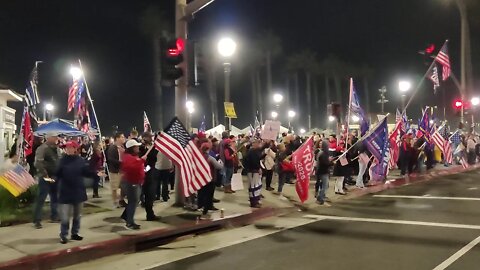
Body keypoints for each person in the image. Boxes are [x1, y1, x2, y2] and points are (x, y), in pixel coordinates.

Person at [56, 140, 97, 244]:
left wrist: (96, 173)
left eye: (71, 147)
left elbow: (86, 172)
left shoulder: (80, 160)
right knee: (65, 217)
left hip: (78, 192)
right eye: (67, 148)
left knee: (77, 216)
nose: (68, 149)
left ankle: (75, 233)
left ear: (75, 149)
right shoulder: (62, 161)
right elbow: (57, 174)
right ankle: (64, 235)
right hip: (65, 192)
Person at [33, 132, 61, 229]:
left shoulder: (56, 149)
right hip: (45, 177)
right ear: (48, 138)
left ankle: (54, 216)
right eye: (54, 137)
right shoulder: (42, 148)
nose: (56, 138)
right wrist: (46, 175)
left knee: (55, 197)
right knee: (41, 198)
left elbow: (58, 161)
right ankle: (37, 220)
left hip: (54, 177)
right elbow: (38, 163)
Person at [120, 139, 145, 230]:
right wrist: (141, 161)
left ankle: (126, 217)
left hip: (135, 182)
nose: (138, 148)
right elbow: (131, 167)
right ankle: (129, 223)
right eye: (136, 147)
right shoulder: (128, 157)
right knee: (133, 202)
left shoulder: (131, 156)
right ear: (131, 148)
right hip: (131, 182)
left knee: (134, 201)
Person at [198, 139, 223, 218]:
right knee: (209, 194)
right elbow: (219, 166)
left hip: (201, 178)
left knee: (201, 193)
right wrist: (220, 162)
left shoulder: (198, 157)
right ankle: (206, 209)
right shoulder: (210, 158)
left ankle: (200, 206)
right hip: (210, 178)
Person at [139, 132, 159, 221]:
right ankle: (126, 216)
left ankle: (150, 214)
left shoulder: (152, 147)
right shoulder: (140, 148)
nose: (150, 138)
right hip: (142, 174)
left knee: (150, 196)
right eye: (149, 137)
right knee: (139, 196)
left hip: (150, 173)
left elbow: (154, 158)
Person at [244, 140, 266, 208]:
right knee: (253, 187)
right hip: (253, 171)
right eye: (258, 143)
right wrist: (258, 168)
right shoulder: (252, 151)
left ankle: (255, 201)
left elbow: (258, 158)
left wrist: (264, 154)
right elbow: (254, 161)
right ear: (255, 144)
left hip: (252, 171)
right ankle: (253, 202)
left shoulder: (253, 151)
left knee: (255, 187)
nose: (259, 145)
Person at [107, 133, 126, 208]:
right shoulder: (112, 148)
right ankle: (115, 202)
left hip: (122, 170)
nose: (123, 138)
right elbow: (111, 159)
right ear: (117, 138)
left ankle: (121, 200)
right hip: (115, 171)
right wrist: (121, 163)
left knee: (123, 187)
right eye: (122, 137)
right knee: (114, 187)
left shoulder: (122, 147)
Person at [316, 140, 332, 205]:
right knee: (325, 186)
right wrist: (332, 163)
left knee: (323, 185)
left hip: (321, 171)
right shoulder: (323, 154)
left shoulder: (321, 153)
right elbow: (325, 163)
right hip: (323, 171)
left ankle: (320, 197)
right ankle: (320, 198)